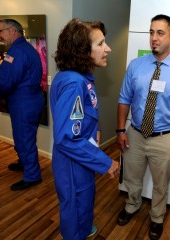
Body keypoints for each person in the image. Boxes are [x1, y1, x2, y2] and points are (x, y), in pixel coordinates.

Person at [116, 14, 170, 240]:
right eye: (151, 32)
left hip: (164, 137)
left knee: (161, 184)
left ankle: (157, 218)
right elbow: (124, 99)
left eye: (160, 33)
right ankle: (131, 205)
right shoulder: (136, 66)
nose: (154, 38)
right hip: (136, 135)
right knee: (132, 177)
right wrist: (121, 131)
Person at [50, 18, 120, 240]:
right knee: (76, 207)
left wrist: (95, 128)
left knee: (84, 202)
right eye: (100, 44)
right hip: (73, 164)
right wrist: (106, 161)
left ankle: (84, 228)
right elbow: (67, 139)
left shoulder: (78, 78)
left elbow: (81, 114)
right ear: (82, 50)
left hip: (81, 158)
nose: (107, 48)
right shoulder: (74, 83)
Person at [0, 19, 44, 191]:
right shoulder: (27, 48)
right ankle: (24, 162)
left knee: (24, 139)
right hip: (32, 99)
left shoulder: (17, 51)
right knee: (26, 137)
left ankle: (32, 176)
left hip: (23, 102)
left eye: (1, 31)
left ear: (13, 31)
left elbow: (6, 80)